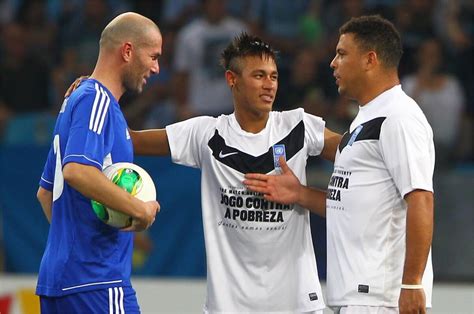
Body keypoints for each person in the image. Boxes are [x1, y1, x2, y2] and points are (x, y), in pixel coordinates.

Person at [130, 32, 341, 313]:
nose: (269, 85)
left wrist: (301, 194)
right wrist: (97, 92)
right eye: (259, 76)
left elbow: (359, 155)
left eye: (274, 76)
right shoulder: (205, 133)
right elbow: (130, 140)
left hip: (298, 305)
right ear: (232, 79)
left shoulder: (299, 127)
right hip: (229, 307)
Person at [244, 15, 435, 314]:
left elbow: (421, 198)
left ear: (370, 60)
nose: (333, 63)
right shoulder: (366, 118)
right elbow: (350, 205)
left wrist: (412, 284)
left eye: (342, 54)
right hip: (357, 296)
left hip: (380, 298)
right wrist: (300, 194)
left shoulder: (399, 118)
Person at [35, 12, 161, 313]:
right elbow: (77, 171)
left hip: (60, 282)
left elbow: (45, 193)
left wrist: (79, 244)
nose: (156, 68)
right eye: (153, 56)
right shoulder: (96, 101)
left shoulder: (76, 101)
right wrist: (138, 210)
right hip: (98, 283)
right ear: (128, 51)